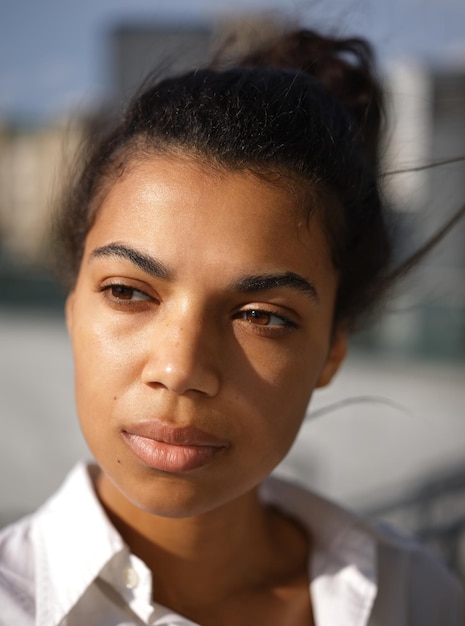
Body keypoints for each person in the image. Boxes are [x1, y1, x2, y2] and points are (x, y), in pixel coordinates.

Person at [0, 28, 464, 626]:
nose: (180, 369)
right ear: (72, 310)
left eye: (262, 316)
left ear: (331, 351)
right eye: (126, 291)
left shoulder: (417, 597)